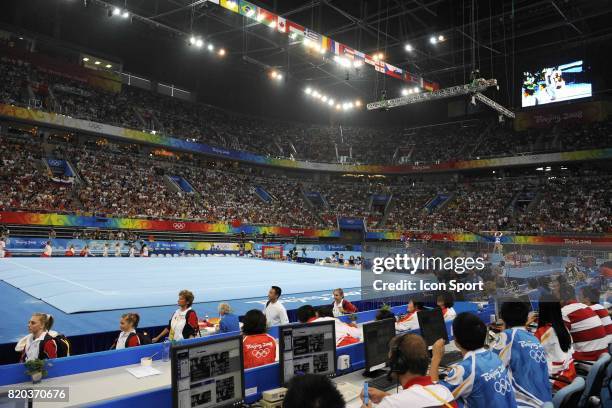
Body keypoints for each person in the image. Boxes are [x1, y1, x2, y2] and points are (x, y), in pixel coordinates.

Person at [429, 312, 517, 407]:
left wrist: (436, 358)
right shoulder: (495, 356)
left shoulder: (465, 370)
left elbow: (437, 397)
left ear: (456, 341)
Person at [362, 334, 456, 408]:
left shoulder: (390, 405)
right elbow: (419, 399)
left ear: (398, 365)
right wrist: (387, 396)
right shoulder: (444, 392)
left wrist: (390, 400)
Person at [492, 301, 552, 407]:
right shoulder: (533, 338)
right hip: (545, 400)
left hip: (525, 403)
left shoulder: (507, 336)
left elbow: (490, 366)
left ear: (502, 318)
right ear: (526, 318)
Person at [534, 295, 576, 390]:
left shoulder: (542, 332)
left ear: (542, 310)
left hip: (556, 381)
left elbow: (530, 354)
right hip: (569, 375)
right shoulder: (563, 328)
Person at [559, 284, 608, 361]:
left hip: (587, 361)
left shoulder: (565, 312)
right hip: (603, 356)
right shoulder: (585, 307)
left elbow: (556, 339)